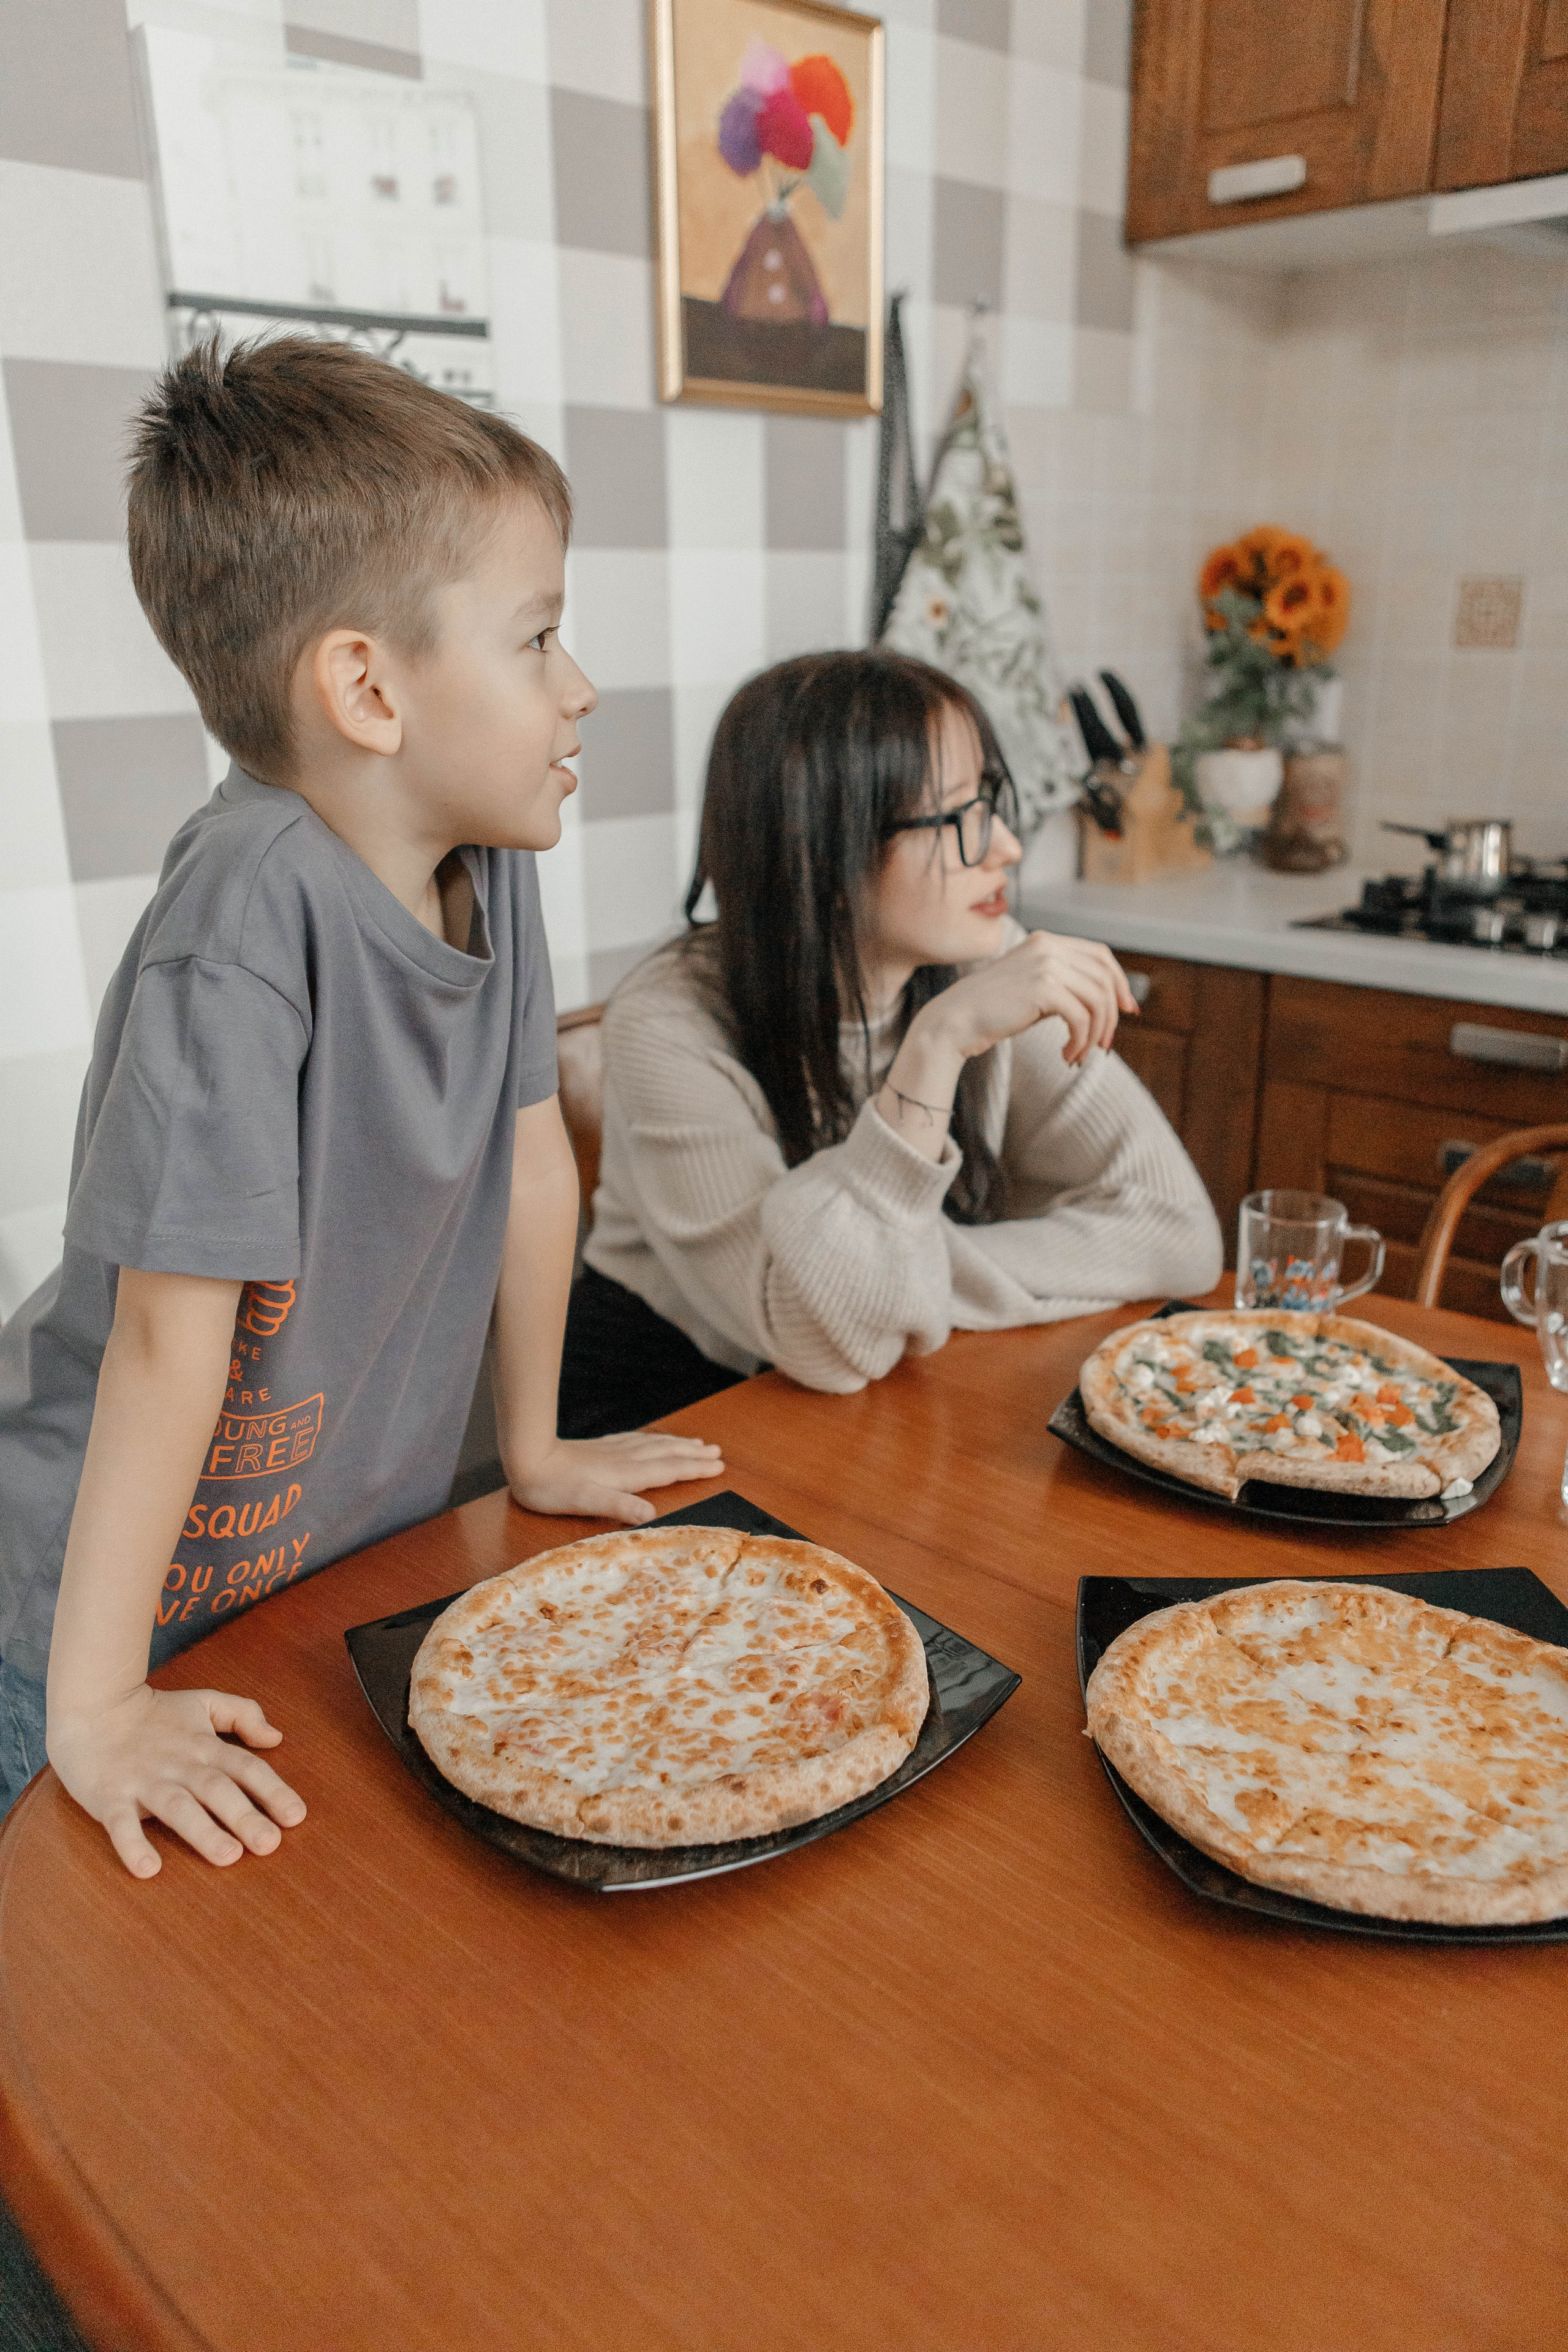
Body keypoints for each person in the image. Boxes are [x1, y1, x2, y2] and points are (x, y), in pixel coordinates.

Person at [0, 337, 720, 1871]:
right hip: (70, 1613)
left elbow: (533, 1164)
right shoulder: (243, 923)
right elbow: (158, 1330)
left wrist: (532, 1447)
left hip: (306, 1580)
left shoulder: (494, 856)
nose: (576, 687)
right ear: (367, 686)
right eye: (536, 639)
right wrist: (96, 1703)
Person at [559, 650, 1223, 1435]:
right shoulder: (667, 1021)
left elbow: (1180, 1234)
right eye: (962, 817)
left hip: (893, 1387)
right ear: (826, 851)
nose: (1006, 847)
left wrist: (898, 1291)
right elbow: (817, 1342)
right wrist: (938, 1043)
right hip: (678, 1407)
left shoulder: (984, 956)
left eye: (992, 801)